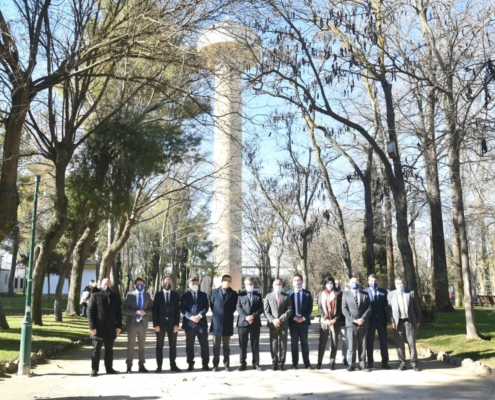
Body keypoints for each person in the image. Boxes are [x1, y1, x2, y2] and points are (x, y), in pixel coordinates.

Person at [87, 278, 122, 377]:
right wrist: (92, 327)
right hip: (98, 329)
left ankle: (109, 368)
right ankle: (94, 369)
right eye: (105, 284)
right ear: (101, 285)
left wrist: (119, 325)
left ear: (111, 285)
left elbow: (118, 312)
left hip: (110, 328)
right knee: (96, 350)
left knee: (109, 350)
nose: (107, 286)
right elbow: (90, 312)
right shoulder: (95, 296)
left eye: (109, 284)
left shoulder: (115, 297)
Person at [388, 276, 421, 371]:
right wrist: (391, 321)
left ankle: (414, 363)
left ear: (404, 284)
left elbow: (417, 308)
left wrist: (418, 320)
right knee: (399, 344)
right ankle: (402, 363)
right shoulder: (391, 295)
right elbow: (389, 310)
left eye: (401, 283)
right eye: (398, 284)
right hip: (397, 322)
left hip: (410, 321)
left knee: (411, 343)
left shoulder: (411, 293)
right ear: (395, 285)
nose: (400, 285)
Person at [341, 277, 371, 372]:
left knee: (363, 345)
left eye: (356, 282)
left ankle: (362, 365)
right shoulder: (345, 294)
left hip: (363, 323)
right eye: (353, 282)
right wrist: (354, 320)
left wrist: (363, 318)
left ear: (359, 283)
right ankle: (351, 365)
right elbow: (344, 309)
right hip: (351, 324)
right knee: (351, 346)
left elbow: (369, 307)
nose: (355, 283)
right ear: (350, 284)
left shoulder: (365, 294)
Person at [123, 277, 152, 373]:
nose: (141, 286)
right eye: (139, 284)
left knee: (142, 346)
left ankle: (141, 365)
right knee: (130, 346)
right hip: (132, 323)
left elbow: (151, 309)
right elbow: (125, 309)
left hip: (143, 324)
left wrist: (145, 312)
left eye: (142, 284)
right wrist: (136, 312)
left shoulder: (147, 295)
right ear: (135, 285)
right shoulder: (130, 295)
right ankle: (129, 366)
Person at [210, 274, 238, 371]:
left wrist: (227, 313)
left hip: (227, 322)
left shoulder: (234, 294)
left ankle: (226, 364)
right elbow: (212, 304)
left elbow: (234, 307)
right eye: (225, 280)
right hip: (216, 323)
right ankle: (215, 365)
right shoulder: (214, 292)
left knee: (226, 346)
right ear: (221, 281)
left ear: (231, 282)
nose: (227, 282)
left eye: (229, 280)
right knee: (216, 346)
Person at [181, 276, 210, 371]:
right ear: (189, 285)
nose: (194, 285)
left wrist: (199, 316)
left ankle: (205, 364)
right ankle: (190, 364)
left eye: (196, 283)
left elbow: (206, 307)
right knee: (189, 344)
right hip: (189, 324)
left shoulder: (203, 295)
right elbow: (183, 309)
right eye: (192, 283)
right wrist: (191, 317)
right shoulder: (185, 295)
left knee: (204, 344)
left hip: (201, 323)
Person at [153, 276, 181, 373]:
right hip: (160, 325)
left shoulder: (175, 295)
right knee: (159, 346)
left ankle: (173, 365)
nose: (167, 284)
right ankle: (159, 367)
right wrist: (155, 324)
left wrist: (177, 324)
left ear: (172, 284)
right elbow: (154, 310)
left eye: (169, 282)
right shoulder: (158, 295)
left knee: (173, 346)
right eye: (165, 283)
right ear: (162, 284)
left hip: (173, 325)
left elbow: (178, 311)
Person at [264, 278, 292, 371]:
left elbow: (289, 310)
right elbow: (266, 311)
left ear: (282, 285)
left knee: (283, 344)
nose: (278, 286)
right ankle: (274, 362)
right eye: (276, 284)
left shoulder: (286, 296)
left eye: (279, 284)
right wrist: (273, 320)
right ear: (273, 285)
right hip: (273, 324)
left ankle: (281, 363)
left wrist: (280, 319)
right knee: (274, 343)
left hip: (283, 323)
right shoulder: (268, 296)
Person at [236, 277, 263, 371]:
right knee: (242, 344)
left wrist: (253, 316)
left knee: (255, 344)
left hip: (255, 323)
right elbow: (238, 308)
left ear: (253, 284)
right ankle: (242, 363)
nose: (249, 285)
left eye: (251, 284)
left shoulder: (258, 295)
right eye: (247, 284)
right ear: (244, 285)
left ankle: (256, 363)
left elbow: (261, 308)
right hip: (243, 323)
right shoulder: (240, 295)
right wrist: (246, 317)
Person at [287, 274, 313, 369]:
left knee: (304, 343)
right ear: (293, 282)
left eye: (299, 280)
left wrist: (304, 318)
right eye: (295, 280)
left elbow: (310, 308)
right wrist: (294, 317)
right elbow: (287, 308)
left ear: (302, 281)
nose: (297, 282)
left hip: (304, 322)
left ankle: (307, 363)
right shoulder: (289, 294)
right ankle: (294, 364)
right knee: (294, 344)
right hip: (293, 322)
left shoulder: (307, 293)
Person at [365, 274, 390, 369]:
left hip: (381, 320)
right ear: (368, 282)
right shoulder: (364, 292)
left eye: (375, 281)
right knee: (369, 342)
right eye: (371, 281)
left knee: (383, 341)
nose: (373, 283)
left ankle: (385, 362)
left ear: (377, 281)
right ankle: (370, 362)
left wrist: (389, 319)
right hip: (370, 320)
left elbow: (387, 306)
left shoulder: (383, 292)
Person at [317, 276, 342, 370]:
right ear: (325, 284)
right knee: (322, 343)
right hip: (325, 322)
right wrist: (325, 318)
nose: (330, 284)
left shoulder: (338, 294)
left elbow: (340, 309)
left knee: (334, 343)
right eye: (328, 283)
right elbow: (320, 308)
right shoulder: (321, 294)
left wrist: (335, 319)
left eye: (331, 283)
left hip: (335, 322)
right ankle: (319, 362)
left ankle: (332, 362)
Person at [335, 279, 348, 366]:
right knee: (333, 341)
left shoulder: (344, 294)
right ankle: (333, 358)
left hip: (343, 322)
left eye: (338, 284)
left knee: (344, 341)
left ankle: (344, 357)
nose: (337, 285)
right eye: (335, 284)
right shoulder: (330, 295)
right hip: (334, 322)